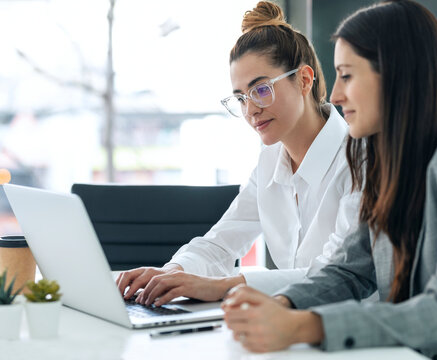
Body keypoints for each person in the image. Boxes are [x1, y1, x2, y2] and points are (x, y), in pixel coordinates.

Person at [222, 1, 437, 358]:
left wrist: (306, 325)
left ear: (396, 75)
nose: (337, 95)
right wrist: (281, 304)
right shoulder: (385, 164)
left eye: (347, 75)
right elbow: (348, 272)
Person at [116, 1, 359, 307]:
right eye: (241, 98)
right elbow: (220, 244)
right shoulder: (270, 163)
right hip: (290, 330)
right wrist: (171, 273)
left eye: (261, 89)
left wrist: (225, 286)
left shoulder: (358, 158)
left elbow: (336, 276)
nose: (251, 110)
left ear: (304, 80)